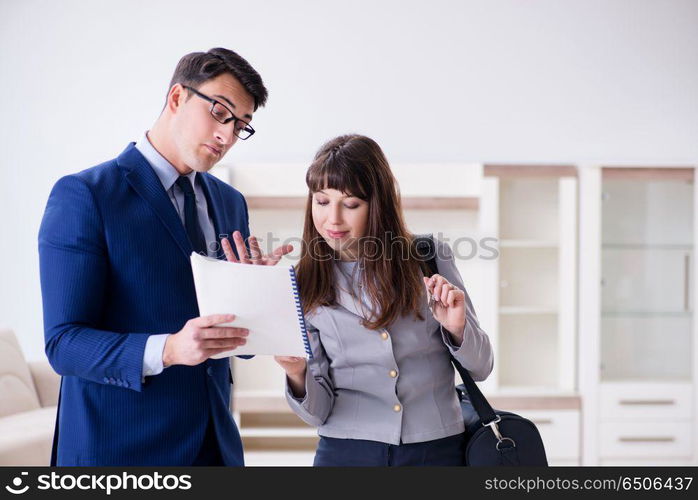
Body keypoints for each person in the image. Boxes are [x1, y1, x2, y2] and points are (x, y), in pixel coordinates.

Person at [38, 48, 291, 466]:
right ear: (177, 98)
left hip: (214, 445)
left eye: (241, 125)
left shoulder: (230, 203)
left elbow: (235, 343)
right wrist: (169, 349)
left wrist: (254, 299)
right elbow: (63, 344)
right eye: (220, 113)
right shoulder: (86, 196)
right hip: (120, 450)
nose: (227, 136)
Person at [273, 134, 493, 466]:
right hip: (346, 453)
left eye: (350, 204)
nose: (333, 219)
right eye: (321, 201)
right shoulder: (303, 281)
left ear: (378, 204)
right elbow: (317, 413)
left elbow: (481, 367)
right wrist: (297, 373)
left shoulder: (428, 255)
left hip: (435, 449)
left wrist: (458, 330)